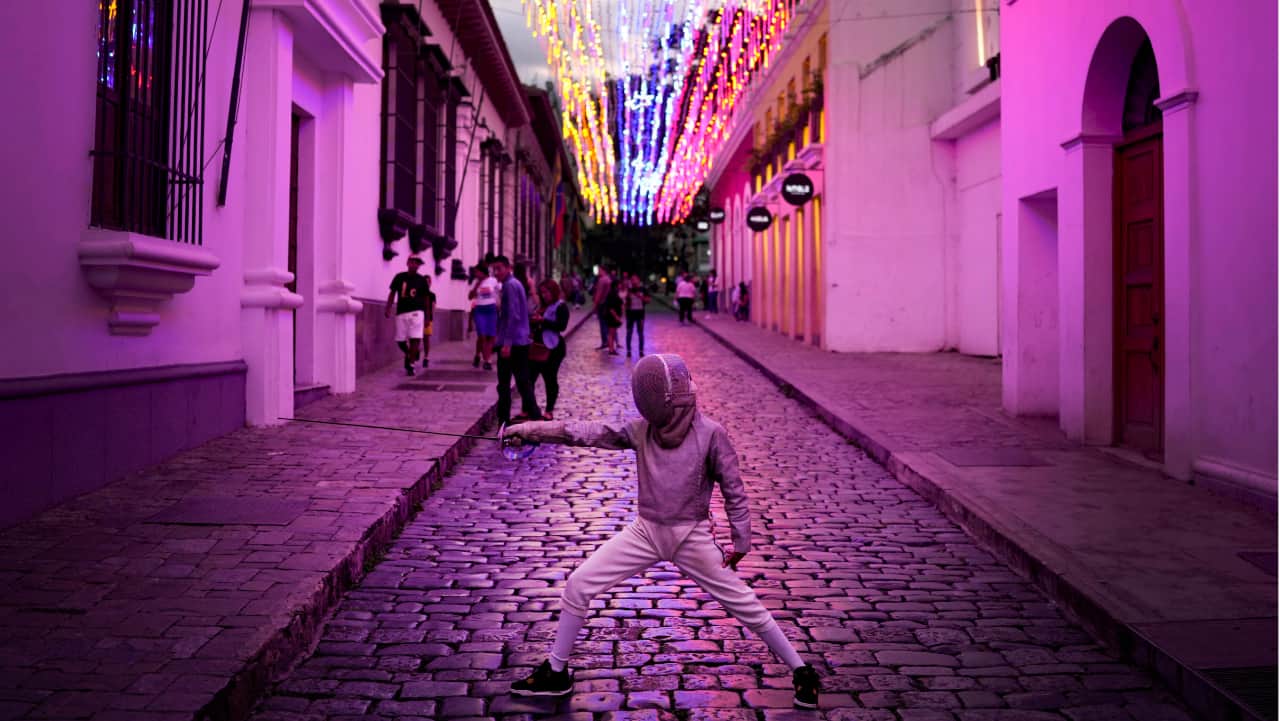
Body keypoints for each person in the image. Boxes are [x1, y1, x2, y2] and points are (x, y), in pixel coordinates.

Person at [504, 354, 821, 709]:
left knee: (745, 605)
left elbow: (734, 489)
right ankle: (556, 671)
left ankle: (802, 670)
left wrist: (741, 539)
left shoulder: (712, 434)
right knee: (580, 583)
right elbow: (589, 433)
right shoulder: (643, 431)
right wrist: (531, 431)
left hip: (692, 538)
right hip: (645, 533)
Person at [492, 255, 542, 424]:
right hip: (519, 340)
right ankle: (535, 417)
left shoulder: (510, 286)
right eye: (494, 269)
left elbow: (512, 316)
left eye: (499, 268)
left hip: (512, 343)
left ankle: (504, 421)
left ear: (508, 268)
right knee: (522, 382)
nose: (496, 272)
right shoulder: (514, 284)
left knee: (505, 384)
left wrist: (506, 343)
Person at [530, 279, 570, 421]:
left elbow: (562, 326)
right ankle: (530, 409)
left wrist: (543, 321)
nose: (544, 295)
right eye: (542, 293)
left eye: (546, 292)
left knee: (550, 378)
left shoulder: (561, 306)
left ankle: (549, 410)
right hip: (537, 347)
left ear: (553, 291)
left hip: (554, 349)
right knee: (529, 379)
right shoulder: (540, 306)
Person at [385, 255, 430, 376]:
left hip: (417, 312)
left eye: (417, 263)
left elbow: (426, 298)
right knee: (400, 340)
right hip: (402, 312)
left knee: (415, 338)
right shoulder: (399, 277)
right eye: (413, 262)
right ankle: (411, 354)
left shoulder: (422, 280)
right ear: (408, 263)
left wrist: (427, 315)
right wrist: (388, 307)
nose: (415, 265)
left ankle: (411, 365)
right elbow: (392, 293)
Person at [470, 264, 500, 370]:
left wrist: (499, 304)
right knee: (481, 335)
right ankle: (479, 355)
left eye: (477, 272)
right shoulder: (476, 282)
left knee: (490, 336)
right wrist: (476, 286)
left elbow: (499, 292)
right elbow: (470, 297)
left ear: (483, 272)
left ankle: (487, 360)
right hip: (479, 310)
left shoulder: (493, 280)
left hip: (491, 310)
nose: (476, 274)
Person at [625, 273, 649, 357]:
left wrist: (640, 296)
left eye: (635, 279)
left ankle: (641, 351)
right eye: (632, 279)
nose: (634, 281)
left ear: (638, 280)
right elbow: (625, 303)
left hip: (640, 314)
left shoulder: (643, 289)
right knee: (629, 333)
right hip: (630, 314)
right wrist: (627, 298)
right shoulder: (629, 289)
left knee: (640, 333)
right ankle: (628, 351)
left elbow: (648, 300)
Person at [593, 266, 613, 349]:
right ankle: (609, 341)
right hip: (608, 303)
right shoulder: (609, 279)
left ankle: (605, 342)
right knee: (607, 323)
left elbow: (599, 294)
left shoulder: (602, 280)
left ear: (603, 270)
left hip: (602, 304)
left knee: (602, 323)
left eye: (599, 270)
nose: (598, 272)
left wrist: (595, 305)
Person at [419, 273, 437, 370]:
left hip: (427, 318)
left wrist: (430, 317)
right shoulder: (419, 293)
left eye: (428, 282)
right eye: (425, 282)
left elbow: (433, 306)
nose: (427, 284)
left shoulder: (432, 295)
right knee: (416, 337)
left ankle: (426, 357)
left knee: (426, 338)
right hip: (418, 317)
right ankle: (416, 352)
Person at [604, 280, 623, 355]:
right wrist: (616, 317)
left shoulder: (615, 293)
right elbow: (611, 308)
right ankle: (611, 350)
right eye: (619, 284)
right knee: (611, 333)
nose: (620, 286)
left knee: (613, 333)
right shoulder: (612, 294)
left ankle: (612, 348)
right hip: (612, 316)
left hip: (614, 316)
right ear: (616, 286)